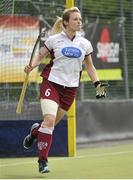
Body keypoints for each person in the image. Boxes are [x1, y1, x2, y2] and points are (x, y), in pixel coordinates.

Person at [23, 7, 108, 174]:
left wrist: (97, 84)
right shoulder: (54, 40)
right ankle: (43, 162)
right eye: (75, 19)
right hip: (51, 84)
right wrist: (31, 65)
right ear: (66, 23)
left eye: (80, 19)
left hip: (70, 90)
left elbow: (90, 66)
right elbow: (40, 55)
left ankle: (34, 132)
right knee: (48, 120)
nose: (79, 21)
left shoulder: (85, 43)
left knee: (50, 126)